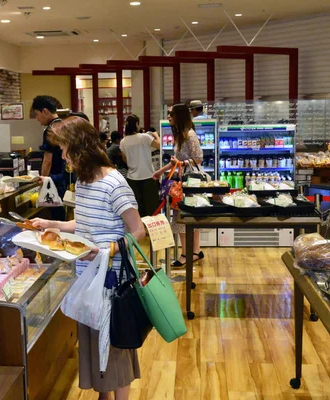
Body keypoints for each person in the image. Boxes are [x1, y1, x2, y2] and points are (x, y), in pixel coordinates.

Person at [31, 116, 145, 400]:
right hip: (86, 277)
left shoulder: (114, 183)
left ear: (79, 148)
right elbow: (83, 226)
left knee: (114, 345)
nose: (62, 155)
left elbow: (138, 231)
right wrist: (53, 225)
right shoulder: (82, 181)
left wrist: (107, 249)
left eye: (64, 148)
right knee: (95, 344)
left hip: (112, 280)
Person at [153, 104, 204, 267]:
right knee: (188, 217)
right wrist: (160, 171)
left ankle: (186, 253)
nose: (168, 117)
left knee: (182, 217)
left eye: (171, 114)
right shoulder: (181, 135)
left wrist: (181, 162)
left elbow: (198, 158)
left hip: (189, 183)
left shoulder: (190, 135)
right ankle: (195, 251)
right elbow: (175, 161)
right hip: (184, 182)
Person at [120, 114, 161, 217]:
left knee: (137, 208)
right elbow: (160, 145)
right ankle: (151, 231)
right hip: (148, 176)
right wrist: (155, 135)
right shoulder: (145, 137)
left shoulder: (123, 142)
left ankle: (140, 230)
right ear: (137, 124)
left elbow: (125, 159)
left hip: (132, 178)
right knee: (152, 208)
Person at [32, 95, 65, 221]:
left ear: (45, 111)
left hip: (54, 181)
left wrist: (43, 181)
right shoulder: (63, 125)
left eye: (36, 114)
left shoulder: (50, 130)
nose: (37, 119)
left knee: (56, 217)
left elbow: (47, 161)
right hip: (65, 178)